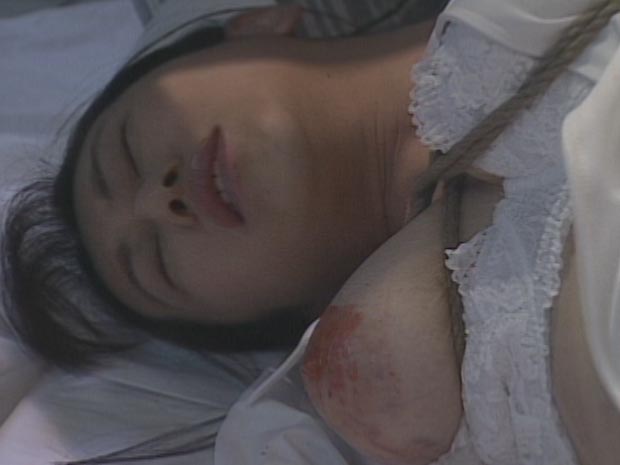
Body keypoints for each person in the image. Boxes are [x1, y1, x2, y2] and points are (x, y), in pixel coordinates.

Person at [2, 2, 620, 465]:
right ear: (285, 316)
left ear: (257, 24)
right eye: (156, 261)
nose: (160, 200)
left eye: (127, 151)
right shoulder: (449, 397)